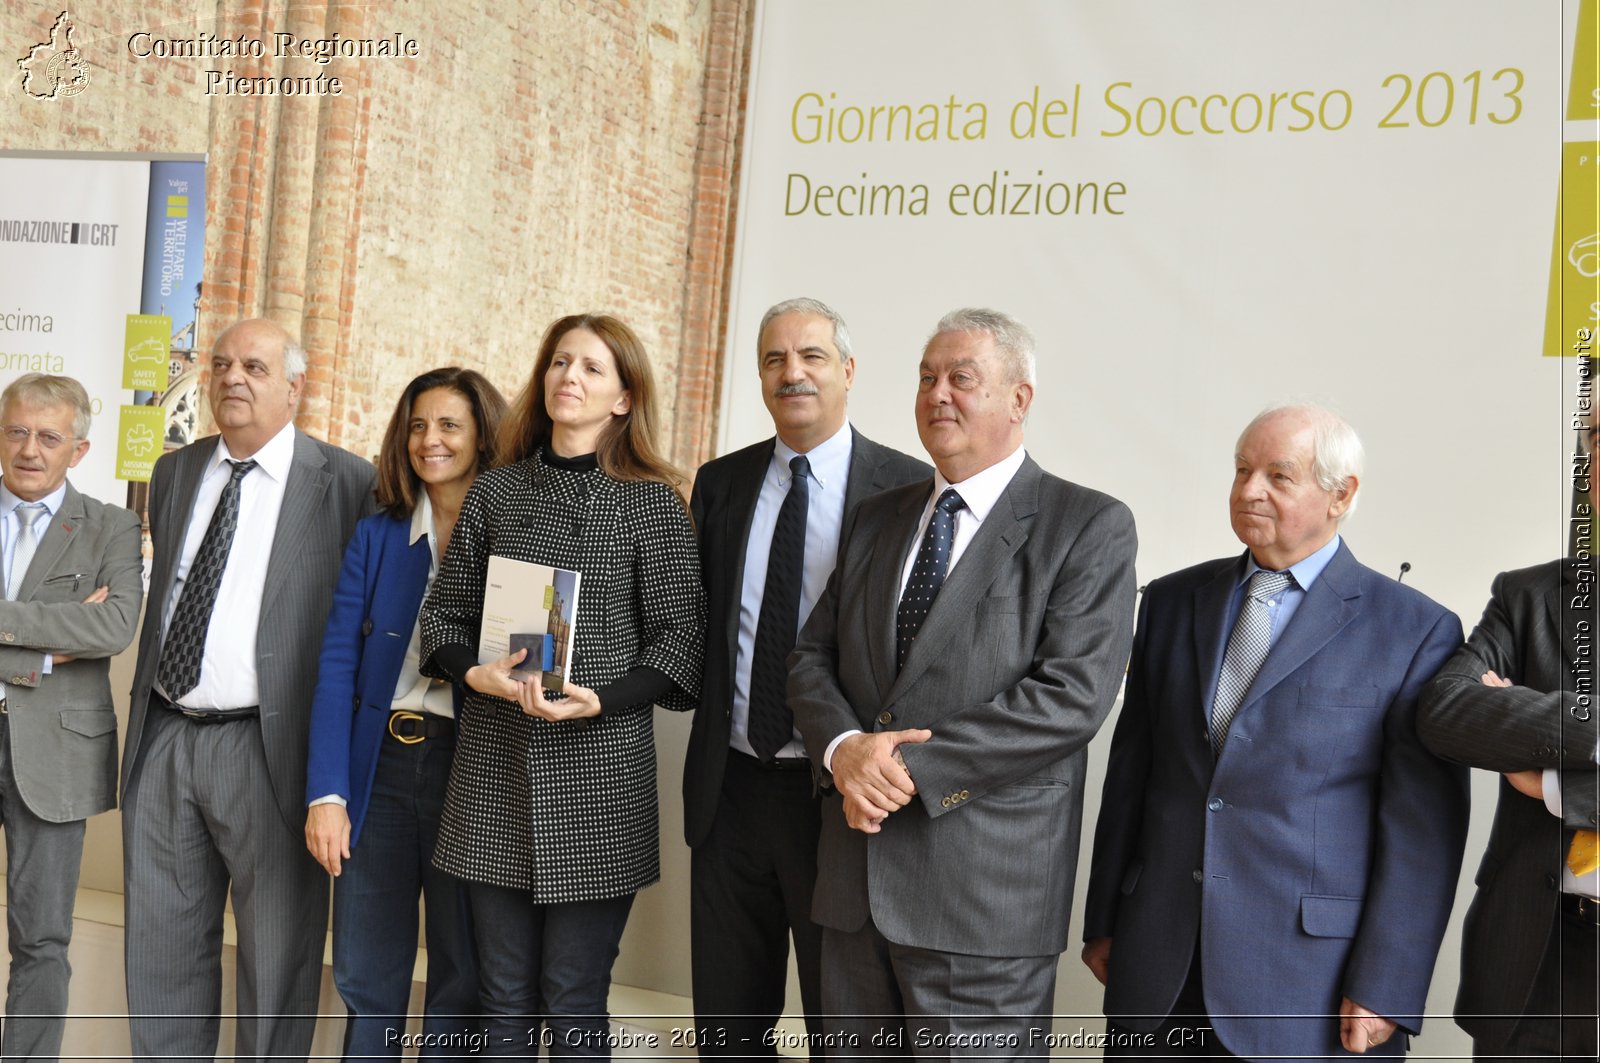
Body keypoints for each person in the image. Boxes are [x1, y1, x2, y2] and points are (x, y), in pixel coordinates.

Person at [786, 307, 1137, 1056]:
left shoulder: (1087, 524)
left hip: (982, 906)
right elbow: (810, 656)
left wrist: (903, 767)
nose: (938, 393)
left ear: (1019, 398)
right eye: (926, 376)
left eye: (962, 378)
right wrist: (846, 747)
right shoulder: (875, 518)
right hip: (855, 893)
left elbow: (1070, 696)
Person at [1082, 403, 1468, 1059]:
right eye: (1240, 470)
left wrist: (1388, 985)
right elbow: (1132, 774)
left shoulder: (1414, 629)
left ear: (1342, 494)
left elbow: (1422, 832)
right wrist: (1105, 921)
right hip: (1158, 966)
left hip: (1310, 986)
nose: (1247, 490)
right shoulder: (1173, 602)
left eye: (1277, 476)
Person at [420, 313, 704, 1059]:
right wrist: (470, 671)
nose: (567, 378)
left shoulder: (654, 502)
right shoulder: (496, 492)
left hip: (599, 779)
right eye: (558, 362)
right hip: (492, 772)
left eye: (590, 368)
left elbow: (681, 643)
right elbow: (444, 616)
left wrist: (602, 697)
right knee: (502, 996)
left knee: (574, 996)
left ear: (623, 397)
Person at [120, 318, 377, 1060]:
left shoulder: (346, 482)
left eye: (256, 367)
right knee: (162, 956)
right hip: (166, 736)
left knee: (277, 964)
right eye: (223, 363)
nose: (233, 377)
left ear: (294, 386)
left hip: (272, 750)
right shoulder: (174, 472)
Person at [683, 297, 929, 1058]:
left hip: (838, 800)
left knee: (842, 1030)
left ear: (848, 370)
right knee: (727, 1031)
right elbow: (698, 621)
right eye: (774, 359)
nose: (792, 373)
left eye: (812, 357)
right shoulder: (721, 483)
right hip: (728, 791)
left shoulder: (908, 488)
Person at [305, 368, 507, 1059]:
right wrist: (328, 792)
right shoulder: (379, 535)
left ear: (483, 435)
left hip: (474, 765)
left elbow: (539, 653)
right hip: (381, 768)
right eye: (418, 425)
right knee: (367, 969)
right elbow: (337, 666)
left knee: (463, 973)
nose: (430, 440)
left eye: (450, 425)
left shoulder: (517, 530)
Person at [1415, 410, 1600, 1060]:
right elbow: (1444, 710)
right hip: (1534, 958)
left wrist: (1550, 782)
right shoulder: (1528, 597)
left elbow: (1492, 720)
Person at [0, 374, 141, 1061]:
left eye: (48, 436)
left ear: (79, 449)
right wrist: (50, 640)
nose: (30, 449)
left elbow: (113, 625)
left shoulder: (113, 525)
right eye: (17, 431)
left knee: (41, 939)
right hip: (50, 719)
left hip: (54, 753)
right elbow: (80, 632)